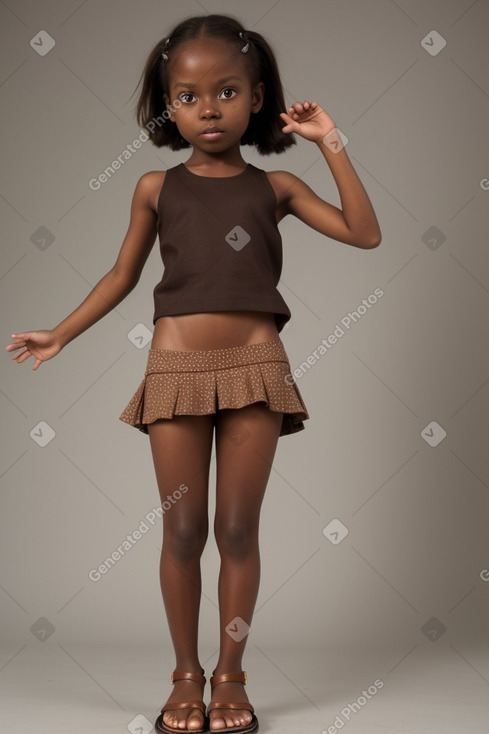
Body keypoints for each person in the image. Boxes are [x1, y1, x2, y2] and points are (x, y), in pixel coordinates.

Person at [5, 13, 381, 734]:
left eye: (226, 91)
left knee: (238, 530)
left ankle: (232, 679)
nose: (207, 109)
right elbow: (121, 275)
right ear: (167, 106)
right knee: (182, 532)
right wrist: (62, 333)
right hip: (175, 368)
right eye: (186, 96)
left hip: (255, 368)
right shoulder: (154, 186)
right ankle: (185, 678)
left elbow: (364, 234)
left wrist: (326, 138)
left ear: (258, 96)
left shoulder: (275, 188)